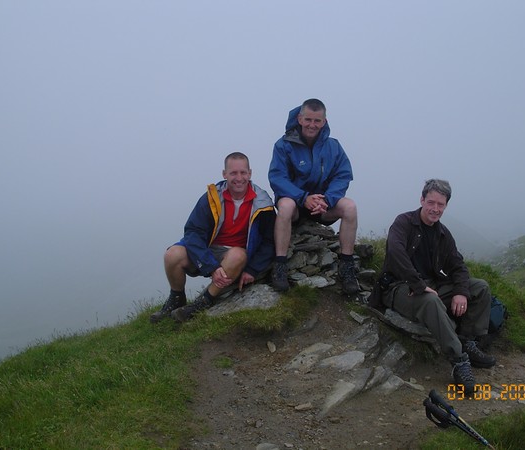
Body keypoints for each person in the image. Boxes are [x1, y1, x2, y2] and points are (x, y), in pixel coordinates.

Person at [379, 179, 495, 396]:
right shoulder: (403, 222)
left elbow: (458, 265)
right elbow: (396, 254)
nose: (435, 209)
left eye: (440, 204)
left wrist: (461, 291)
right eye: (431, 202)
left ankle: (468, 342)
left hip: (431, 286)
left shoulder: (443, 234)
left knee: (480, 287)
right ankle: (459, 360)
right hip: (399, 287)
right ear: (422, 200)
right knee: (430, 300)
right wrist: (419, 284)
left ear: (446, 206)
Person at [150, 152, 276, 324]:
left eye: (243, 172)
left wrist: (253, 269)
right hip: (208, 250)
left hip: (234, 255)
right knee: (172, 255)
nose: (239, 178)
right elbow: (193, 232)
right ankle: (177, 298)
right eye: (233, 173)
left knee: (238, 254)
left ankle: (202, 302)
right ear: (224, 174)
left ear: (250, 173)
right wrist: (211, 266)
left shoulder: (262, 203)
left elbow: (269, 240)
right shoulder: (212, 197)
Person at [268, 98, 359, 294]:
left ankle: (347, 266)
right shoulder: (283, 145)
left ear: (324, 122)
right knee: (284, 206)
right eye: (308, 119)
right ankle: (280, 265)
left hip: (322, 206)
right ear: (300, 118)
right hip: (295, 205)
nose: (312, 125)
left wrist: (327, 199)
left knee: (350, 207)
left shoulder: (333, 146)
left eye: (317, 121)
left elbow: (343, 175)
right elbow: (277, 178)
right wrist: (303, 197)